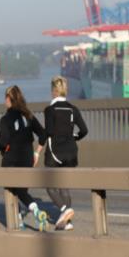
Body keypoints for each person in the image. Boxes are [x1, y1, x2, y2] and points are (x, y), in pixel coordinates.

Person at [0, 85, 49, 231]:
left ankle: (31, 214)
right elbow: (43, 134)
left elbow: (3, 142)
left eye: (5, 97)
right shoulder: (28, 115)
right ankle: (23, 217)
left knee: (13, 191)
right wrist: (37, 153)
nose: (4, 101)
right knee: (21, 191)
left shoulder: (5, 119)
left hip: (11, 160)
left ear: (9, 99)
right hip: (27, 159)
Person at [42, 76, 88, 231]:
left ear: (54, 91)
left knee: (50, 186)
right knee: (64, 187)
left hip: (55, 153)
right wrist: (73, 136)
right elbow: (84, 130)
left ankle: (64, 210)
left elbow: (48, 131)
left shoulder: (49, 110)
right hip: (71, 152)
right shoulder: (73, 109)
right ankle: (68, 222)